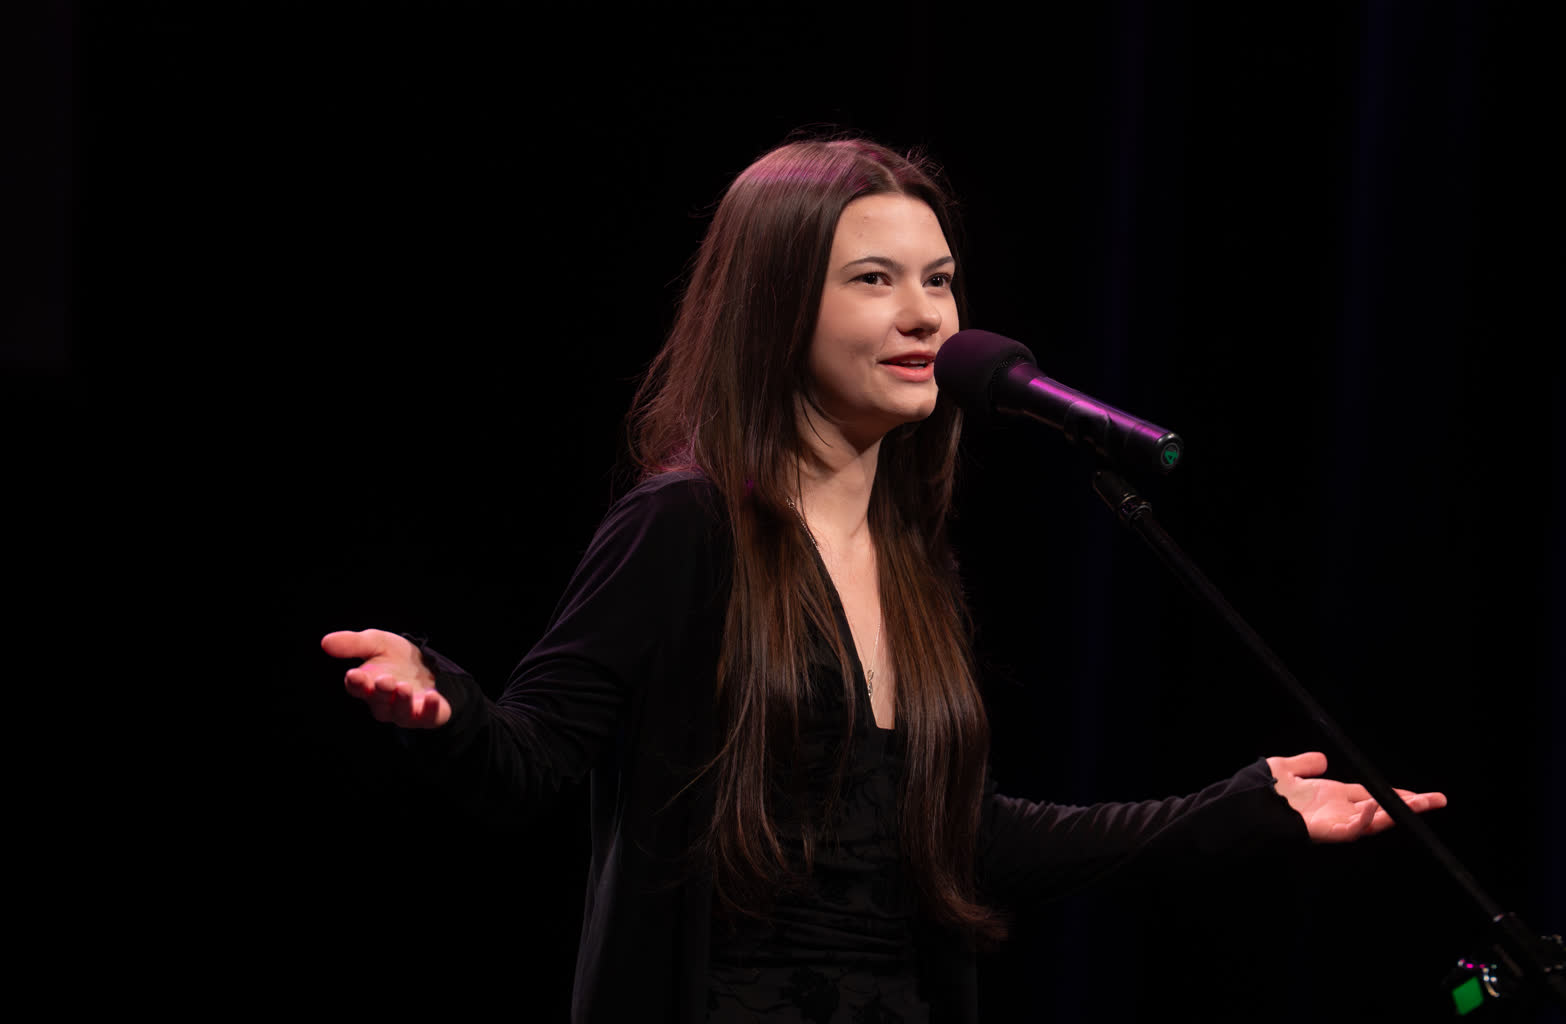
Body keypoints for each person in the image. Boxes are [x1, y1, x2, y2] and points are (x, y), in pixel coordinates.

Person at [321, 137, 1446, 1023]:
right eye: (875, 279)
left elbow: (959, 841)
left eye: (939, 281)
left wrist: (1227, 816)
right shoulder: (685, 524)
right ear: (777, 306)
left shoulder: (912, 559)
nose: (927, 316)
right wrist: (442, 699)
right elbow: (529, 762)